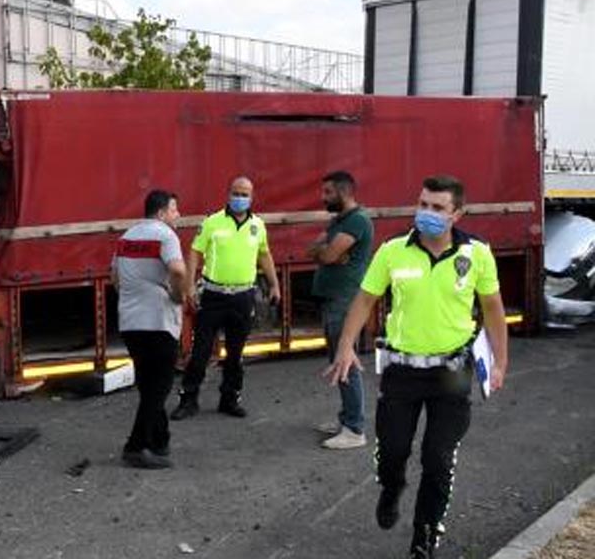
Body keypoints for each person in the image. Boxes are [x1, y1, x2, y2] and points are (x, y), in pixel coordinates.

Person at [324, 175, 509, 559]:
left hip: (452, 374)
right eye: (423, 204)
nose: (427, 213)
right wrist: (345, 346)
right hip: (402, 373)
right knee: (392, 453)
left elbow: (492, 309)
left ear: (457, 214)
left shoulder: (477, 254)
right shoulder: (393, 251)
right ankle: (391, 489)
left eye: (438, 208)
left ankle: (424, 537)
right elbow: (364, 300)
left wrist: (500, 361)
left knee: (438, 459)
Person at [171, 176, 280, 421]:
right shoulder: (212, 222)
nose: (239, 198)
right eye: (236, 193)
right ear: (228, 193)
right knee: (200, 353)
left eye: (244, 194)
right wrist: (189, 285)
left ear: (251, 197)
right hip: (214, 296)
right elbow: (195, 252)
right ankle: (188, 400)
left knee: (235, 354)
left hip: (243, 297)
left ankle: (229, 399)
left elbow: (264, 255)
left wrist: (274, 285)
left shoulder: (258, 226)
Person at [112, 189, 187, 469]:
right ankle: (136, 446)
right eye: (174, 210)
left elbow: (115, 278)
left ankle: (159, 439)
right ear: (160, 213)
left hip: (131, 322)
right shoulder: (166, 235)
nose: (177, 215)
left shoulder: (126, 238)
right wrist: (179, 296)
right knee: (159, 387)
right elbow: (178, 271)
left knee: (148, 383)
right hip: (158, 321)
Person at [309, 171, 374, 450]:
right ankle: (347, 418)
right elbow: (315, 249)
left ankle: (355, 429)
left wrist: (326, 251)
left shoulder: (357, 221)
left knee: (346, 361)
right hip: (334, 299)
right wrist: (325, 250)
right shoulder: (339, 221)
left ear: (344, 192)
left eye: (328, 192)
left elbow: (326, 255)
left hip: (345, 301)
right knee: (339, 360)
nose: (323, 198)